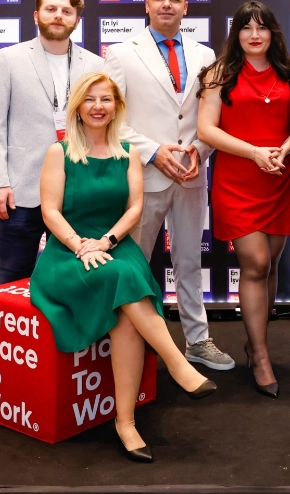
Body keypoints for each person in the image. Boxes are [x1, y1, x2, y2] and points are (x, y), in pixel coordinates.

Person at [30, 72, 217, 463]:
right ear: (77, 107)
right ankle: (176, 363)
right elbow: (50, 212)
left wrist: (107, 241)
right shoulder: (59, 152)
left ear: (117, 106)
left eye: (106, 99)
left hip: (114, 244)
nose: (98, 106)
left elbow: (134, 209)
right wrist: (81, 245)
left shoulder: (129, 152)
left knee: (127, 309)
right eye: (90, 99)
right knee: (122, 277)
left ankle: (126, 422)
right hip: (67, 253)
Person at [0, 0, 103, 413]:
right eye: (51, 9)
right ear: (36, 15)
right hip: (21, 191)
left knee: (79, 280)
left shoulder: (95, 64)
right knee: (10, 279)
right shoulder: (8, 59)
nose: (58, 16)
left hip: (77, 194)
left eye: (67, 11)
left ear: (77, 19)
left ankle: (70, 372)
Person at [104, 0, 234, 372]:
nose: (166, 4)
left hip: (191, 175)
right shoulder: (121, 54)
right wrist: (154, 152)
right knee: (135, 263)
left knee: (190, 262)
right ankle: (132, 340)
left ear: (185, 7)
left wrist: (199, 150)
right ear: (146, 4)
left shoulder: (206, 55)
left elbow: (212, 118)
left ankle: (198, 340)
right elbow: (111, 121)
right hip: (143, 177)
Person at [196, 1, 290, 398]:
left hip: (281, 176)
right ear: (235, 33)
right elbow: (206, 130)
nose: (254, 35)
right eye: (246, 27)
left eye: (262, 28)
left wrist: (284, 149)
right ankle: (260, 356)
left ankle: (257, 343)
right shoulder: (219, 74)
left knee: (270, 262)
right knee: (255, 262)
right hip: (239, 178)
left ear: (273, 32)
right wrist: (255, 152)